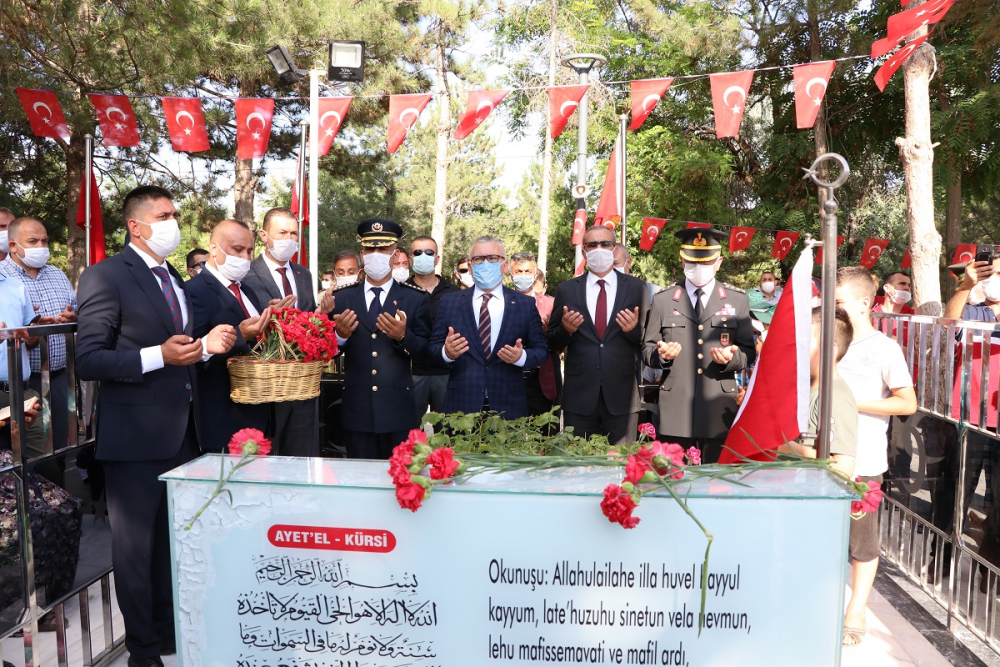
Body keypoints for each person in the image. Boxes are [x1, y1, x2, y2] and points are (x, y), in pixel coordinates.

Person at [76, 185, 237, 666]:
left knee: (174, 546)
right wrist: (156, 356)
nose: (174, 223)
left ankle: (170, 636)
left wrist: (205, 347)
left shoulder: (175, 279)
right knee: (136, 555)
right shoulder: (106, 277)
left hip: (184, 433)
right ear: (137, 226)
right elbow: (89, 359)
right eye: (164, 215)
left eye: (175, 213)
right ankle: (142, 651)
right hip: (135, 441)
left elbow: (180, 353)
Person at [835, 265, 917, 647]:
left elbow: (906, 402)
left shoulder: (884, 348)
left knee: (861, 543)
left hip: (863, 461)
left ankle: (856, 610)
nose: (831, 309)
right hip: (819, 460)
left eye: (839, 302)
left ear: (865, 303)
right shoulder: (826, 340)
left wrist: (853, 402)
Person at [642, 227, 755, 463]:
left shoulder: (737, 299)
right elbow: (647, 349)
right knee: (673, 479)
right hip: (676, 409)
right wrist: (662, 356)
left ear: (719, 262)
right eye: (693, 263)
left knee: (716, 484)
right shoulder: (664, 300)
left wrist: (731, 358)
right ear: (683, 260)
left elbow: (748, 352)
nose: (698, 269)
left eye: (706, 263)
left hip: (719, 408)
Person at [329, 219, 431, 458]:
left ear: (395, 256)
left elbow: (426, 351)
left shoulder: (414, 299)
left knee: (400, 481)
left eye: (383, 249)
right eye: (371, 250)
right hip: (357, 409)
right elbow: (326, 353)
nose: (377, 255)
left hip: (398, 410)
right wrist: (340, 336)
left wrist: (403, 336)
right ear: (363, 255)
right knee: (360, 480)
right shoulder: (342, 298)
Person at [242, 207, 333, 457]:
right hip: (265, 389)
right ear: (263, 235)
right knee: (266, 462)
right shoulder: (246, 275)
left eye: (294, 234)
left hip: (302, 388)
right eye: (282, 233)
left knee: (301, 459)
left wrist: (321, 316)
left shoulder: (304, 275)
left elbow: (309, 324)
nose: (290, 240)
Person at [430, 236, 548, 419]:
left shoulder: (525, 304)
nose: (486, 263)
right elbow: (433, 348)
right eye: (479, 259)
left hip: (508, 405)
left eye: (493, 258)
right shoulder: (450, 302)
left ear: (505, 265)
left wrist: (521, 356)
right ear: (470, 267)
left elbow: (541, 350)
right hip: (461, 406)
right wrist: (447, 352)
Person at [548, 226, 648, 443]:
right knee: (581, 468)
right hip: (579, 398)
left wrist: (634, 331)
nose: (599, 249)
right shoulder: (567, 289)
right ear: (584, 252)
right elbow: (552, 342)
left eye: (605, 244)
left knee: (621, 466)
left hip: (622, 397)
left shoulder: (636, 288)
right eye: (592, 244)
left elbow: (649, 341)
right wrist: (566, 330)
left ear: (614, 249)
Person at [186, 220, 271, 452]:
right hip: (222, 413)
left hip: (257, 408)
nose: (245, 257)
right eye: (237, 249)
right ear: (214, 248)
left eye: (250, 251)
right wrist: (240, 335)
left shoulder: (247, 291)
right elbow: (195, 357)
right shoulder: (195, 291)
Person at [1, 216, 78, 456]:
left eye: (44, 241)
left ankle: (58, 489)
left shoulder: (57, 274)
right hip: (25, 380)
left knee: (59, 447)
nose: (41, 247)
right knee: (28, 452)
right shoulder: (6, 278)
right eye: (33, 241)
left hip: (58, 377)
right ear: (13, 245)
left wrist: (72, 317)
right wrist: (33, 331)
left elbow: (74, 311)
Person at [944, 255, 1000, 570]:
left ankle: (989, 572)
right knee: (956, 492)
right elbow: (949, 323)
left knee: (997, 502)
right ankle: (942, 560)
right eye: (992, 270)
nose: (994, 274)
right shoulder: (974, 311)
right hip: (970, 419)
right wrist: (966, 285)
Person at [780, 307, 857, 478]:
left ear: (830, 348)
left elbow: (843, 469)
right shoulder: (805, 387)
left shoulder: (835, 397)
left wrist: (785, 447)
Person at [407, 235, 458, 419]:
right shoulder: (400, 291)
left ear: (437, 259)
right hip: (411, 374)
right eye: (418, 252)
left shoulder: (454, 293)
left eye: (429, 252)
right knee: (408, 434)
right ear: (410, 259)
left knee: (447, 433)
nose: (423, 256)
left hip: (446, 374)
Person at [0, 267, 46, 466]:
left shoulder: (16, 286)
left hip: (22, 392)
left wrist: (34, 334)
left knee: (42, 467)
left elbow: (30, 338)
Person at [510, 251, 559, 417]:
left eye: (527, 271)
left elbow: (558, 346)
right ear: (511, 275)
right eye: (519, 272)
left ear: (535, 273)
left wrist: (546, 334)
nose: (523, 276)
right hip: (509, 380)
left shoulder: (550, 304)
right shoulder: (500, 302)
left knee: (545, 437)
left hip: (541, 381)